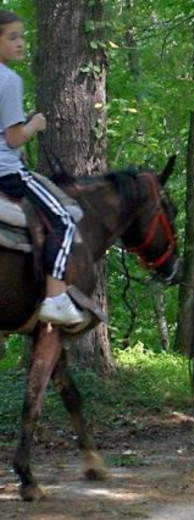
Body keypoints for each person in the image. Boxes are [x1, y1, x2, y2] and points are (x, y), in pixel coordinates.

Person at [0, 10, 85, 325]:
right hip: (7, 173)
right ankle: (55, 297)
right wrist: (34, 124)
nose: (21, 44)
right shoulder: (8, 80)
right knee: (65, 219)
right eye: (12, 37)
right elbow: (13, 138)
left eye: (22, 36)